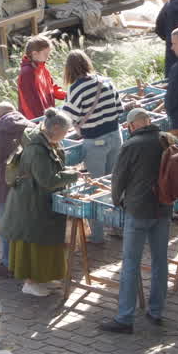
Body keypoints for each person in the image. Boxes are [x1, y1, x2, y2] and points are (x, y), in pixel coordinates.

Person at [102, 108, 176, 332]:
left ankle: (125, 317)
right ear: (148, 121)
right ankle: (156, 311)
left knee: (131, 264)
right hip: (163, 209)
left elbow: (118, 180)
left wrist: (117, 201)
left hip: (138, 209)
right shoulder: (169, 140)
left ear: (132, 126)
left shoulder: (131, 146)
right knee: (160, 261)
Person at [3, 108, 80, 296]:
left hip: (38, 200)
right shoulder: (37, 149)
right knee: (34, 244)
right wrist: (73, 175)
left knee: (45, 242)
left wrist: (68, 173)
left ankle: (43, 278)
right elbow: (47, 180)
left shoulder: (45, 141)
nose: (64, 136)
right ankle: (30, 283)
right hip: (30, 204)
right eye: (64, 132)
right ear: (55, 128)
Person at [59, 50, 125, 244]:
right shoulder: (106, 81)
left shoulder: (76, 89)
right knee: (114, 184)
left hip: (95, 142)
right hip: (115, 136)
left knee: (95, 188)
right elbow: (119, 109)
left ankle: (97, 235)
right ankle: (118, 226)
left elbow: (67, 119)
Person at [0, 101, 35, 276]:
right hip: (29, 183)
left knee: (6, 224)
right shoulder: (31, 126)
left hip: (5, 184)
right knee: (26, 222)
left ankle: (8, 264)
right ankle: (26, 261)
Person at [16, 35, 65, 119]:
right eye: (46, 54)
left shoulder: (42, 68)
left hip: (47, 117)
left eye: (49, 53)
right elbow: (28, 103)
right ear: (34, 54)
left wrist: (68, 95)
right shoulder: (27, 73)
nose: (48, 56)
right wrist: (39, 122)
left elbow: (51, 89)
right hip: (37, 120)